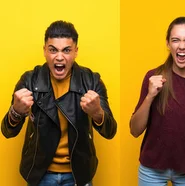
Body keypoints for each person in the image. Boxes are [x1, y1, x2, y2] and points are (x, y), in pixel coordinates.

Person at [1, 20, 117, 186]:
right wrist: (16, 111)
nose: (59, 57)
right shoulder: (29, 80)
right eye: (53, 50)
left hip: (78, 174)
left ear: (76, 51)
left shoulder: (91, 81)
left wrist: (97, 113)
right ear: (45, 51)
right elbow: (7, 131)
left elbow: (110, 131)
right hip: (40, 174)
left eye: (67, 50)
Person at [129, 16, 185, 186]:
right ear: (168, 44)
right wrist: (150, 96)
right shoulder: (154, 77)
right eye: (175, 40)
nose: (181, 46)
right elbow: (135, 130)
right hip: (152, 170)